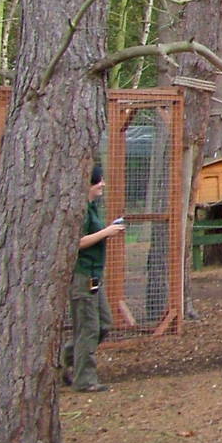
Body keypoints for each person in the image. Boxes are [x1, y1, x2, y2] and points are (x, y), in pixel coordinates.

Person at [64, 164, 126, 392]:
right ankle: (85, 380)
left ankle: (66, 360)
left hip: (94, 275)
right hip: (82, 275)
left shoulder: (91, 207)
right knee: (88, 328)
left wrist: (109, 229)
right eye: (99, 181)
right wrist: (106, 232)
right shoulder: (79, 209)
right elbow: (76, 242)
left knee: (103, 324)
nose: (103, 184)